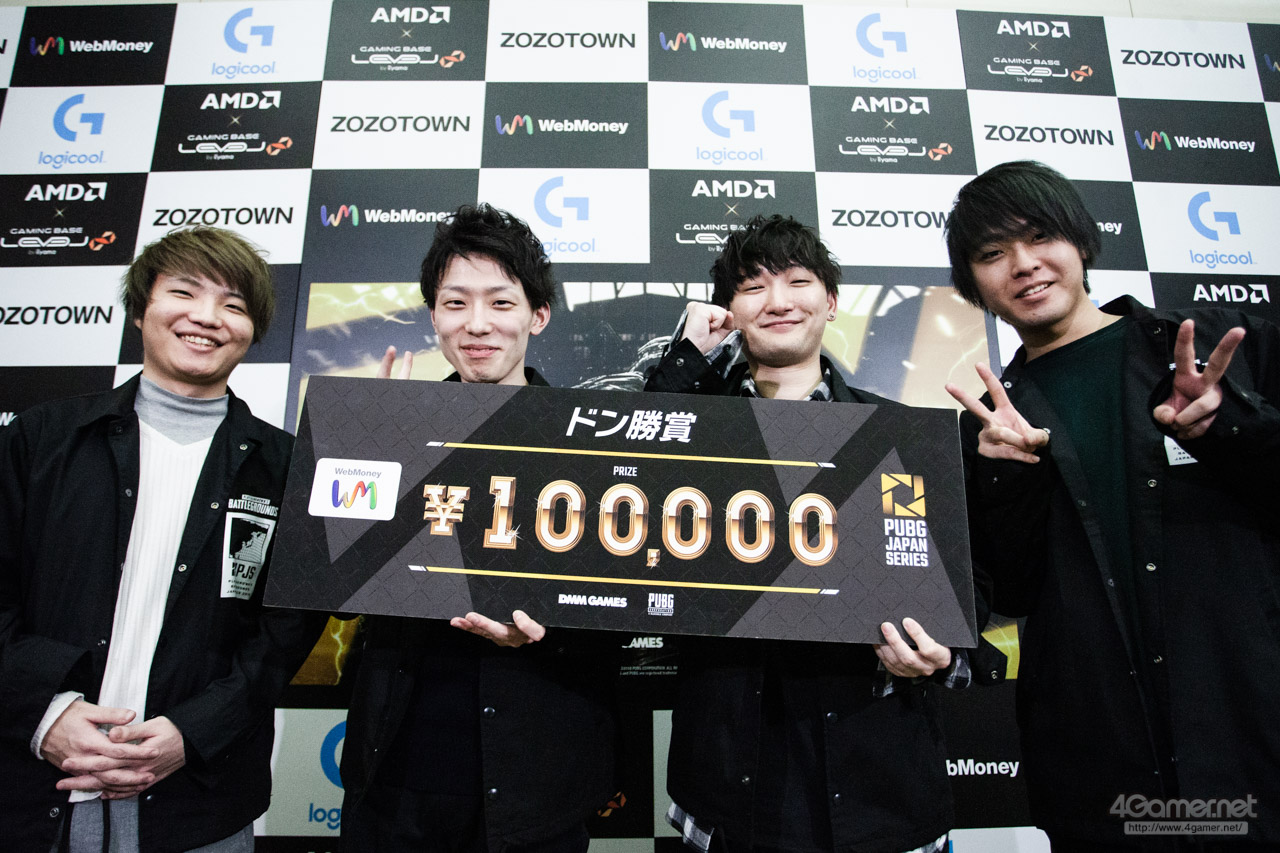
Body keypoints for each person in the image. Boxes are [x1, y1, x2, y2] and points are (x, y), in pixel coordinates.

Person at [944, 160, 1280, 850]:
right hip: (1097, 763)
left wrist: (1230, 429)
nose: (1024, 264)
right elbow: (1011, 591)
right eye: (993, 252)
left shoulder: (1221, 348)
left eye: (1040, 236)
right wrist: (1008, 479)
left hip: (1248, 727)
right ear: (972, 283)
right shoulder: (990, 426)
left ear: (1082, 240)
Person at [646, 214, 986, 853]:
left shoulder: (900, 435)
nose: (778, 301)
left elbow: (969, 583)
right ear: (728, 312)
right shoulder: (689, 433)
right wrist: (685, 359)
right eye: (753, 287)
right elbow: (618, 496)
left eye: (798, 281)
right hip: (728, 790)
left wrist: (943, 654)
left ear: (831, 302)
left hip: (880, 782)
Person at [0, 226, 325, 852]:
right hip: (29, 791)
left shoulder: (286, 468)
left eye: (233, 304)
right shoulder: (40, 440)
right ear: (140, 308)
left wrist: (191, 732)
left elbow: (286, 633)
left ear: (253, 330)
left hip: (200, 803)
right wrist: (44, 713)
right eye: (184, 293)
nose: (207, 317)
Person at [339, 203, 616, 853]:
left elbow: (628, 604)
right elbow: (338, 580)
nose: (478, 323)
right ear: (433, 316)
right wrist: (371, 457)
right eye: (456, 303)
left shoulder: (592, 445)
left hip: (539, 775)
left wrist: (547, 627)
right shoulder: (387, 426)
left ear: (537, 315)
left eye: (501, 301)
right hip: (400, 771)